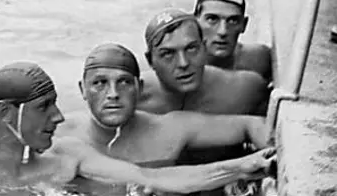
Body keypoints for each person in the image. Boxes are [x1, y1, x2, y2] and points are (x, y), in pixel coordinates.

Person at [0, 61, 275, 194]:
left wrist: (242, 167)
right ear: (6, 113)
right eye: (44, 108)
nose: (59, 118)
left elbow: (154, 179)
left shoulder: (67, 157)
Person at [61, 43, 267, 165]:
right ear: (82, 90)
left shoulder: (171, 129)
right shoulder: (60, 135)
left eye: (124, 82)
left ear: (139, 88)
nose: (113, 94)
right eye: (100, 83)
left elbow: (251, 125)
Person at [139, 8, 269, 116]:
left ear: (204, 48)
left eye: (191, 49)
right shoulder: (133, 100)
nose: (183, 63)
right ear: (150, 61)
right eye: (168, 54)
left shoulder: (244, 90)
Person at [193, 0, 272, 82]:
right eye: (212, 19)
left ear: (244, 25)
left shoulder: (259, 60)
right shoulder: (182, 67)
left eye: (233, 21)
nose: (223, 31)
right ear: (195, 22)